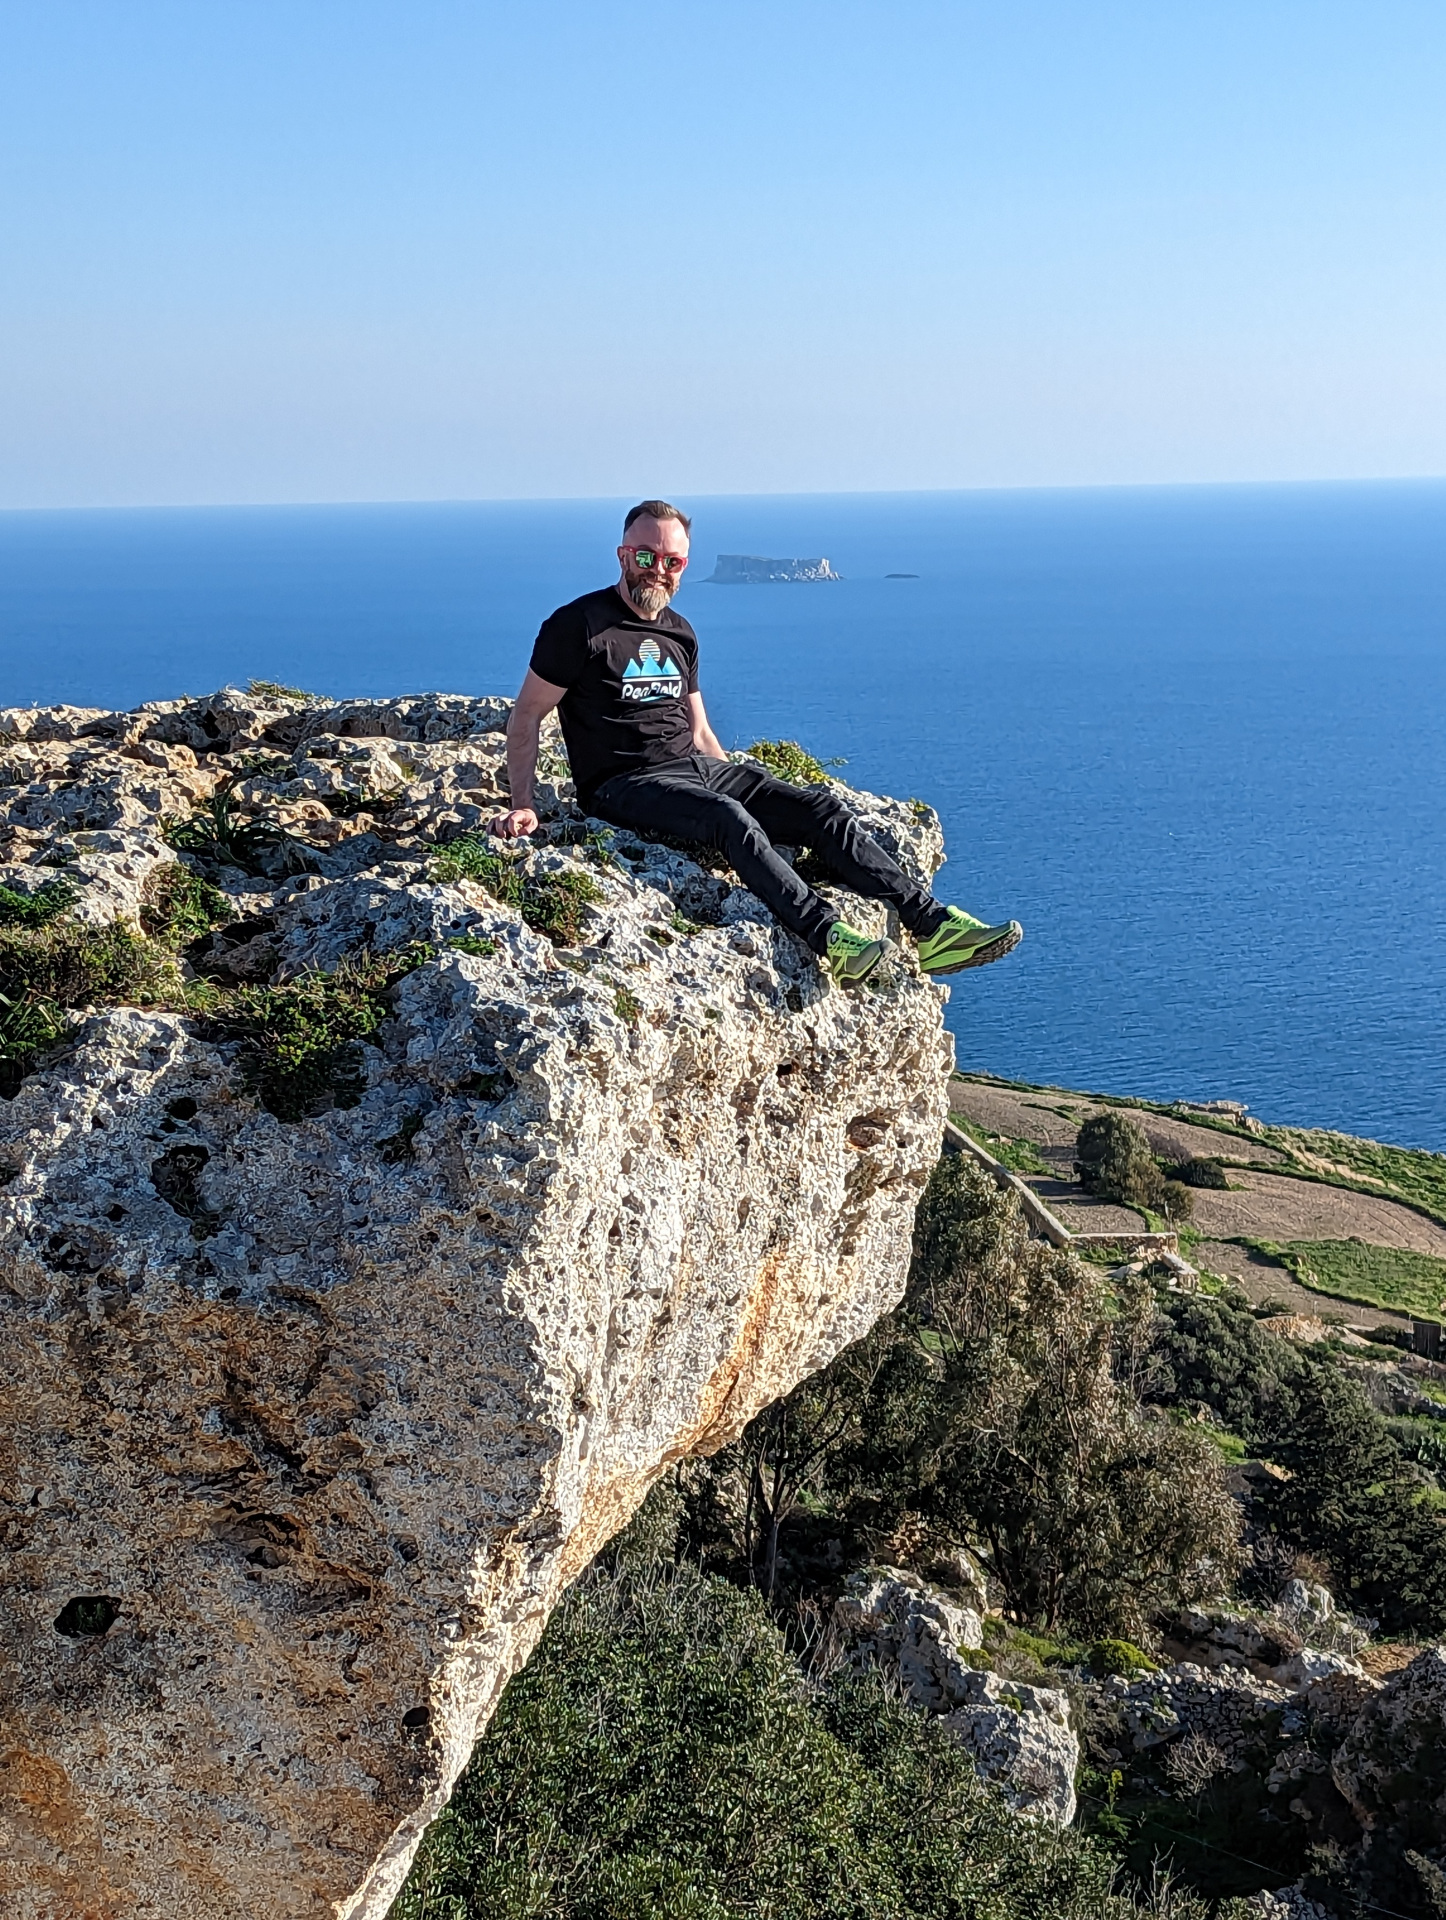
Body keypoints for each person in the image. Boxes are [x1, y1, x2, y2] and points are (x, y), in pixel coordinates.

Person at [490, 499, 1022, 986]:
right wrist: (524, 805)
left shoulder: (680, 632)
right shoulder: (578, 626)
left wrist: (739, 782)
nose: (658, 570)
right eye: (646, 556)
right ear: (623, 555)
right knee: (727, 818)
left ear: (683, 566)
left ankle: (932, 926)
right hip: (622, 783)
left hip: (692, 768)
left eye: (672, 561)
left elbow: (699, 729)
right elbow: (528, 715)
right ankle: (831, 938)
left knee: (821, 811)